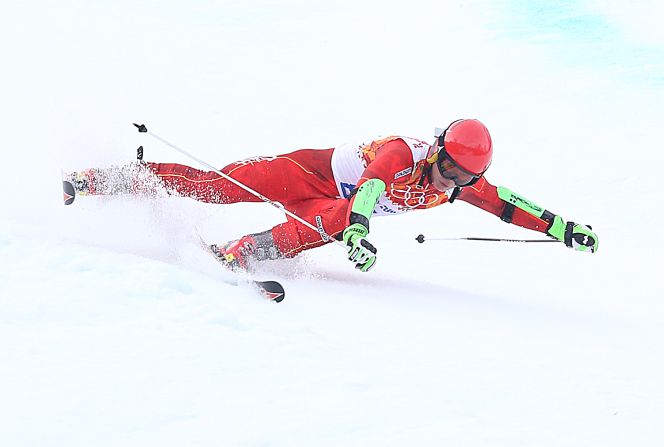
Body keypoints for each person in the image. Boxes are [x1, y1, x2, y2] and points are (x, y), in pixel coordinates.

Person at [66, 119, 598, 272]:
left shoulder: (461, 185)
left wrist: (561, 227)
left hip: (333, 209)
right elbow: (369, 188)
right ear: (437, 152)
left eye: (462, 179)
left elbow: (509, 205)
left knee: (333, 223)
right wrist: (362, 228)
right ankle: (109, 180)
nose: (449, 184)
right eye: (449, 170)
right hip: (307, 175)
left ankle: (243, 253)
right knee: (219, 187)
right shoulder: (403, 153)